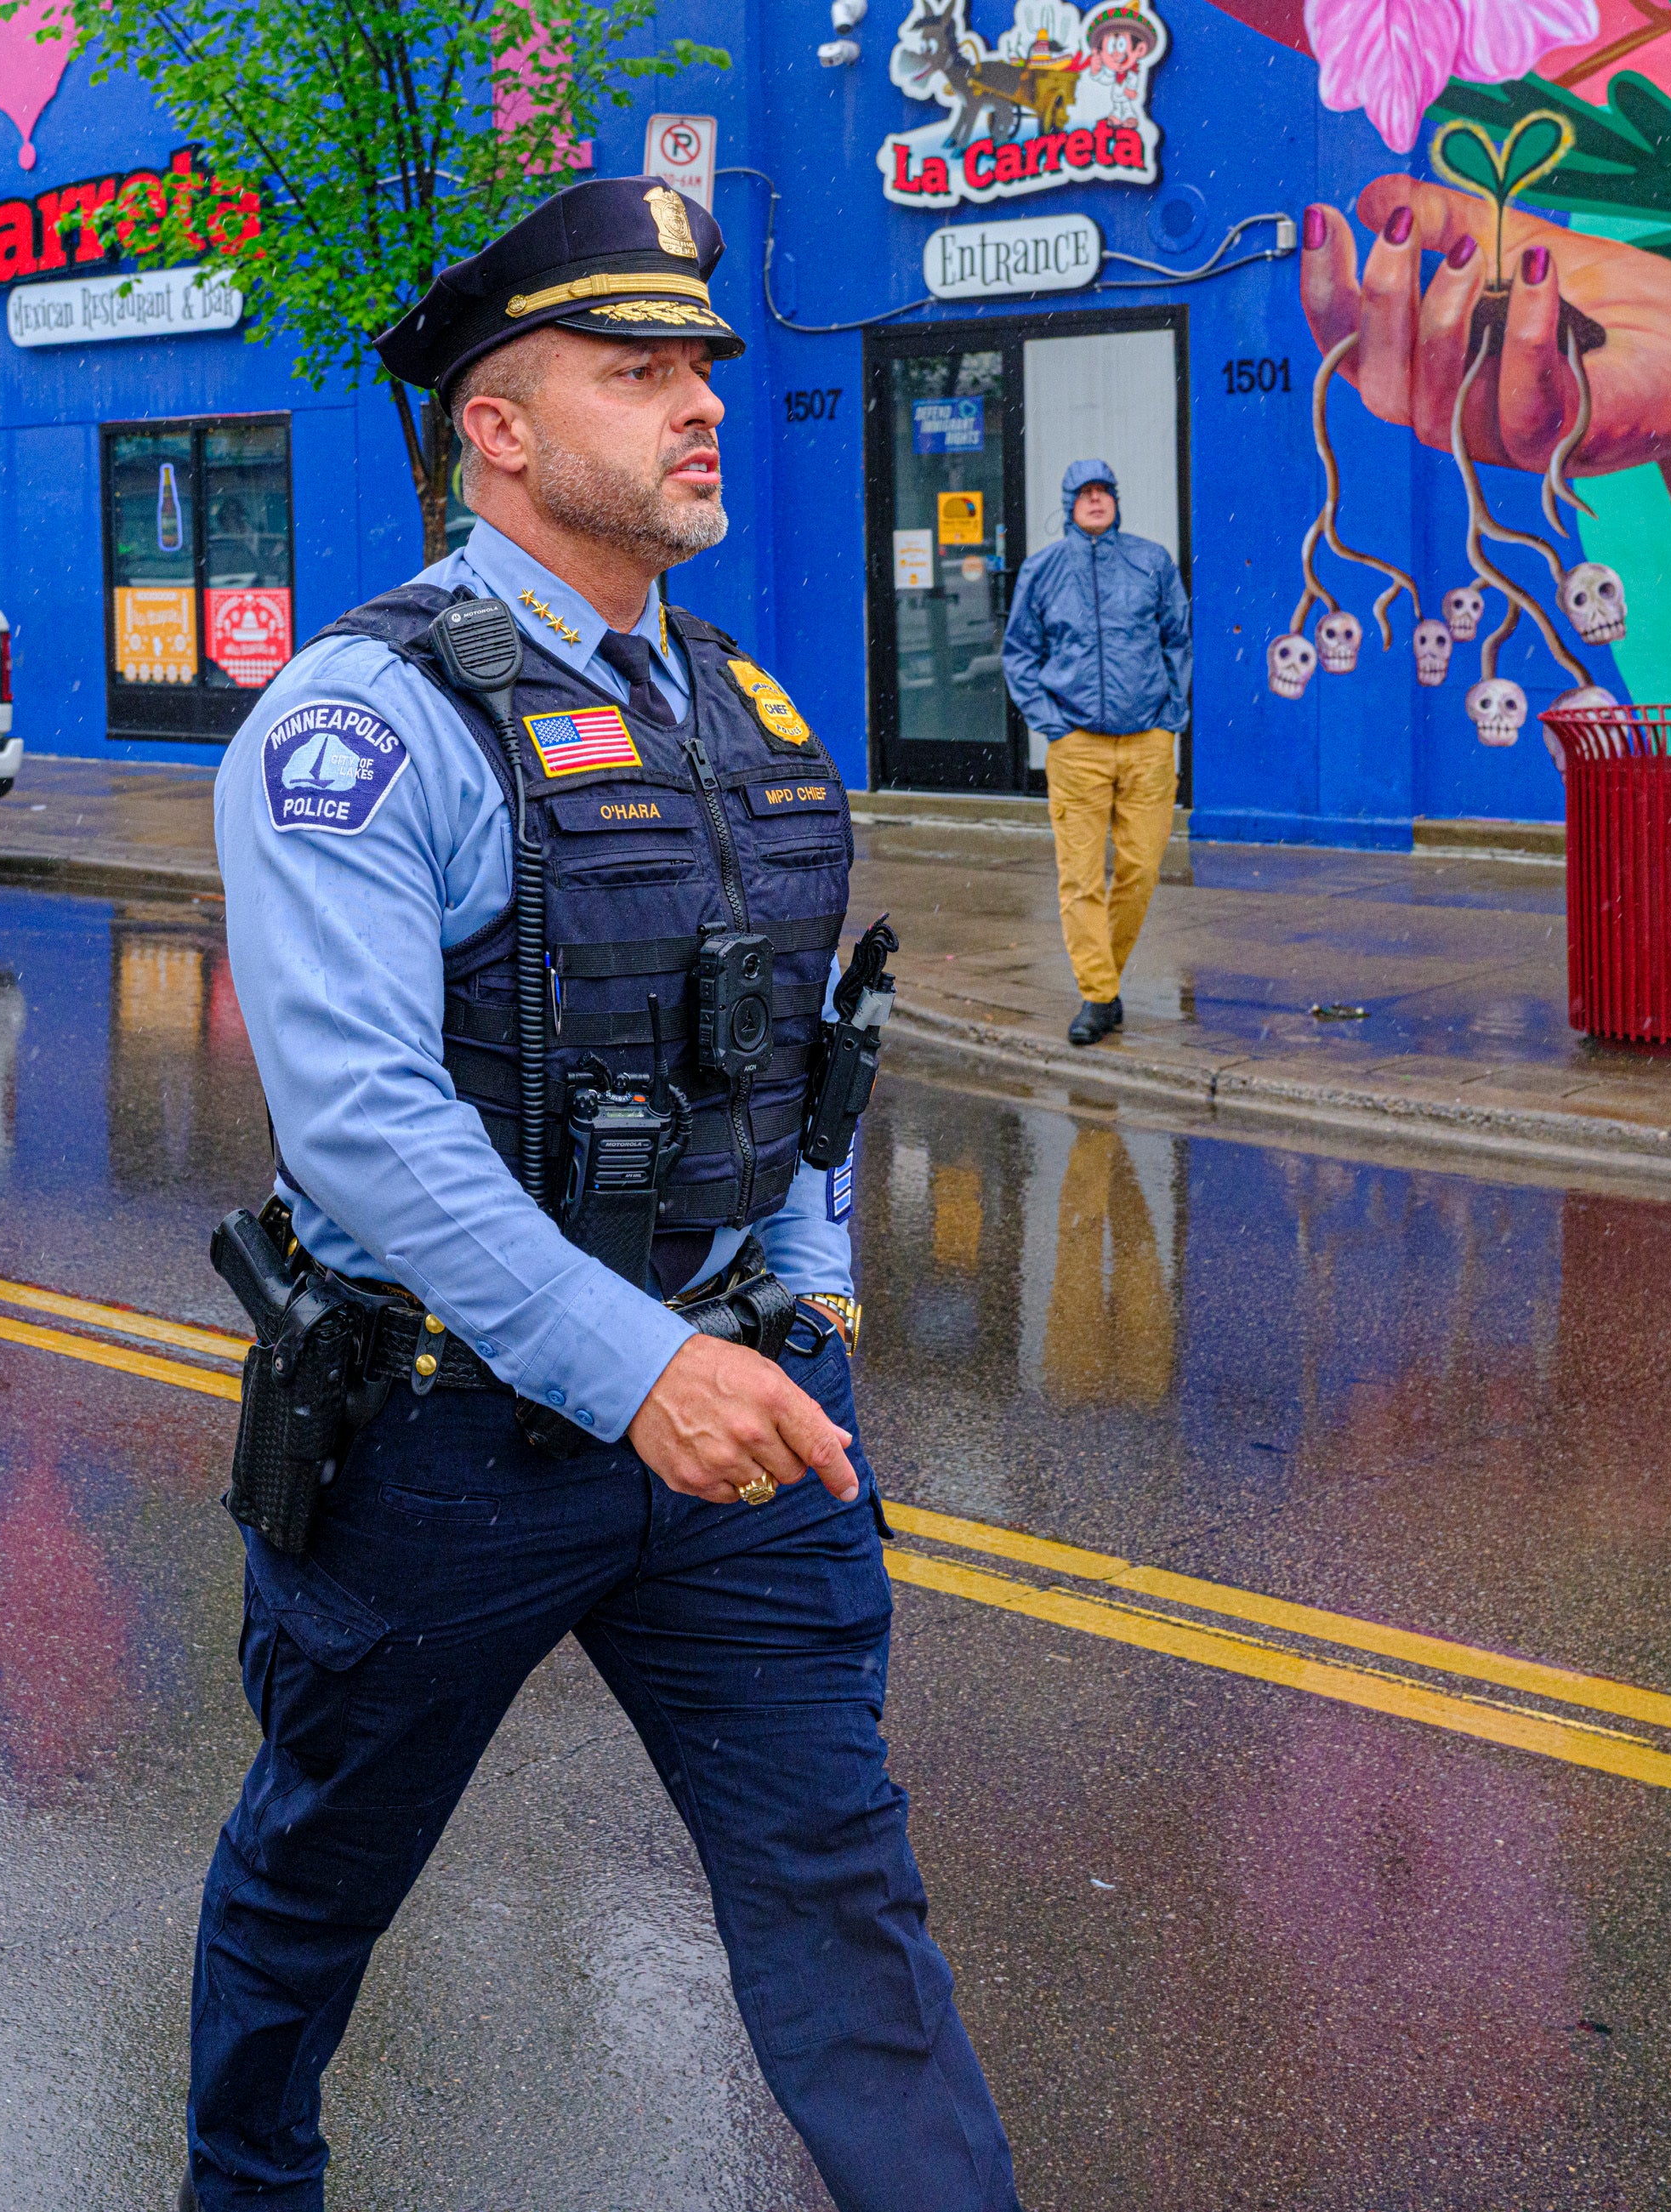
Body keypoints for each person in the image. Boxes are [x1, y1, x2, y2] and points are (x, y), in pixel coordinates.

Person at [193, 176, 1019, 2211]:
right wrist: (634, 1361)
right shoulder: (360, 722)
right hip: (447, 1443)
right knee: (315, 1873)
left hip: (731, 1421)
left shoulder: (739, 709)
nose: (697, 407)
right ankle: (241, 2179)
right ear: (497, 427)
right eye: (632, 372)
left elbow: (807, 1041)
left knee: (846, 1898)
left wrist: (804, 1290)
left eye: (702, 372)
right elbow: (366, 1131)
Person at [997, 458, 1191, 1046]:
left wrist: (1170, 717)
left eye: (1105, 489)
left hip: (1148, 744)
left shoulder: (1151, 561)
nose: (1097, 499)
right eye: (1085, 492)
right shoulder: (1044, 570)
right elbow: (1019, 653)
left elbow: (1176, 639)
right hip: (1076, 745)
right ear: (1069, 503)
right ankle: (1098, 995)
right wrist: (1050, 724)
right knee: (1080, 877)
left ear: (1117, 500)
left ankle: (1103, 984)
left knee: (1141, 868)